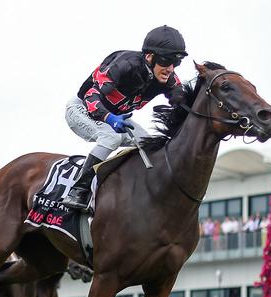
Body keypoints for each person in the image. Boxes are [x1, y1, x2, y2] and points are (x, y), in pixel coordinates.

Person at [62, 25, 188, 211]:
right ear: (149, 56)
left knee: (150, 144)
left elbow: (181, 100)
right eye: (167, 60)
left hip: (116, 117)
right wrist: (110, 119)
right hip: (81, 109)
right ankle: (78, 190)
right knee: (111, 137)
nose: (170, 68)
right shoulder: (124, 64)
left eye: (176, 63)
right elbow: (90, 97)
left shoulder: (167, 77)